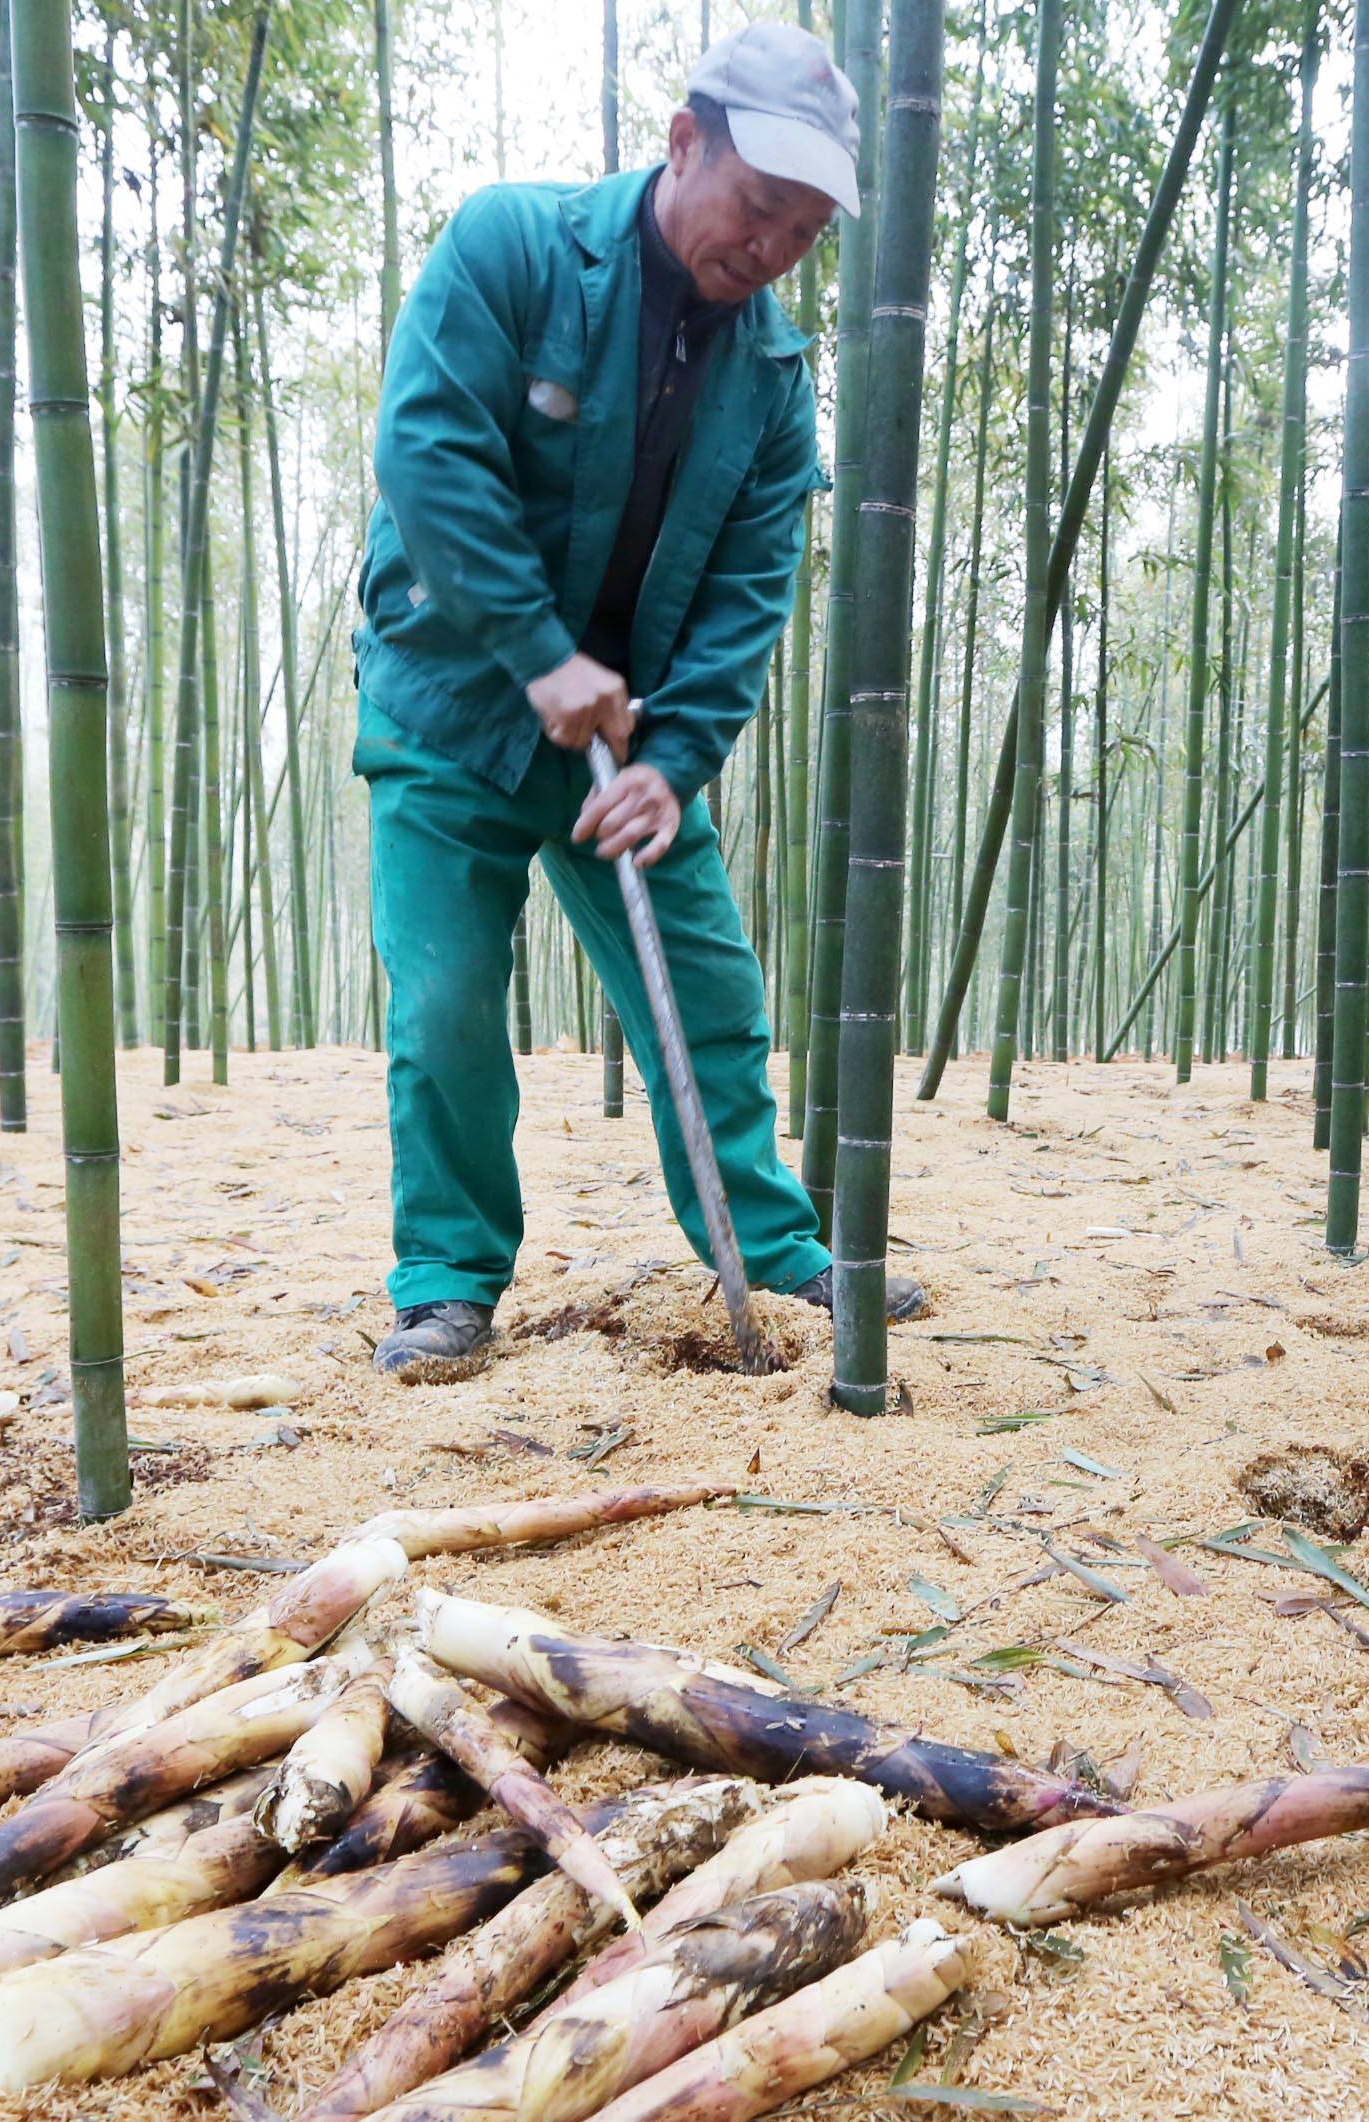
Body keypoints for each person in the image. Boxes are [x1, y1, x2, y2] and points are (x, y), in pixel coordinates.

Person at [357, 23, 922, 1381]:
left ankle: (769, 1244)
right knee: (442, 1004)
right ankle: (448, 1281)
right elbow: (426, 458)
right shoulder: (512, 247)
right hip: (456, 706)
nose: (774, 246)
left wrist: (677, 758)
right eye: (760, 204)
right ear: (685, 143)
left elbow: (749, 591)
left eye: (804, 229)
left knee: (714, 993)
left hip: (628, 748)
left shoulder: (776, 387)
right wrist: (541, 655)